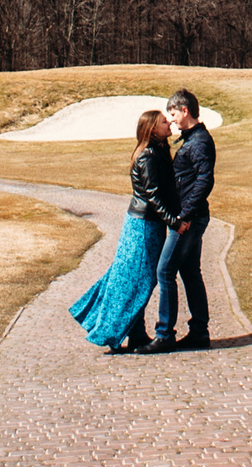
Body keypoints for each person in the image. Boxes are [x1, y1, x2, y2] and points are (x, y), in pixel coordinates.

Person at [69, 110, 177, 352]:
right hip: (143, 226)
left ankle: (135, 333)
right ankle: (111, 331)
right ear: (153, 129)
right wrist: (174, 221)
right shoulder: (147, 156)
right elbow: (153, 197)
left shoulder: (158, 151)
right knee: (136, 278)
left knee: (136, 278)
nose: (169, 122)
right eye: (164, 121)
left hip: (148, 224)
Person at [146, 88, 216, 352]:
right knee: (190, 272)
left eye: (173, 114)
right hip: (192, 217)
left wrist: (183, 216)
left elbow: (204, 181)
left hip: (189, 220)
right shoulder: (192, 139)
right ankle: (199, 332)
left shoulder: (198, 142)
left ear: (185, 111)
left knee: (165, 271)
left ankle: (165, 334)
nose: (172, 120)